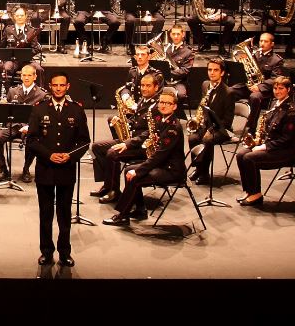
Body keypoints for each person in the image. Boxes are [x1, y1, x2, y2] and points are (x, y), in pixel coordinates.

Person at [27, 71, 89, 266]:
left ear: (67, 87)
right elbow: (32, 139)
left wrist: (70, 155)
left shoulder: (76, 110)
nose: (59, 88)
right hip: (45, 169)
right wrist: (49, 155)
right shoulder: (39, 109)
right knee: (45, 214)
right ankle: (46, 251)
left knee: (64, 214)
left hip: (66, 169)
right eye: (55, 85)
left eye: (62, 85)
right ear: (50, 87)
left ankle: (64, 252)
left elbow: (84, 141)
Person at [103, 87, 186, 224]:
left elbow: (160, 155)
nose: (163, 105)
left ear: (175, 106)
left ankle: (122, 215)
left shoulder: (173, 128)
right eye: (161, 102)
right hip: (162, 165)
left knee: (135, 176)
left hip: (172, 170)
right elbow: (149, 134)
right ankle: (140, 209)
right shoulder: (161, 119)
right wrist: (128, 144)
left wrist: (139, 170)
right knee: (129, 171)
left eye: (168, 103)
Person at [91, 72, 158, 203]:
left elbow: (149, 133)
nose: (144, 88)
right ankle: (107, 185)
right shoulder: (142, 100)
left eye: (148, 86)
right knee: (97, 147)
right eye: (142, 85)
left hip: (142, 146)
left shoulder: (156, 107)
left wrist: (127, 144)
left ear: (156, 87)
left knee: (112, 153)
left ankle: (114, 191)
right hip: (130, 139)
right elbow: (135, 120)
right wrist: (123, 122)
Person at [236, 76, 295, 206]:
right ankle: (249, 190)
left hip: (288, 151)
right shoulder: (274, 104)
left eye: (281, 89)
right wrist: (258, 141)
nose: (277, 91)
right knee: (240, 155)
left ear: (288, 89)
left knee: (249, 158)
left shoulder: (291, 112)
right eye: (275, 88)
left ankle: (256, 194)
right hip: (274, 145)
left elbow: (287, 140)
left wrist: (264, 147)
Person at [0, 63, 47, 183]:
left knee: (32, 140)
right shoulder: (12, 91)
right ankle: (3, 169)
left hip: (30, 128)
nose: (26, 78)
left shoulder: (42, 95)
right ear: (21, 77)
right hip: (14, 126)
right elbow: (6, 113)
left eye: (29, 75)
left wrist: (29, 127)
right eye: (24, 75)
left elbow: (43, 117)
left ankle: (26, 169)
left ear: (35, 77)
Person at [188, 58, 235, 184]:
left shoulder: (228, 92)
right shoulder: (205, 85)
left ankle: (204, 173)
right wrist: (197, 119)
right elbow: (203, 106)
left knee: (207, 139)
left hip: (221, 128)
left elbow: (227, 121)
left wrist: (210, 129)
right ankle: (199, 168)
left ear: (222, 73)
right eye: (210, 70)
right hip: (206, 124)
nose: (212, 73)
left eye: (216, 70)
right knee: (192, 137)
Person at [235, 32, 284, 113]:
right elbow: (245, 70)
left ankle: (251, 125)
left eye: (265, 41)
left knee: (255, 97)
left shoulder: (277, 60)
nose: (262, 43)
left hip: (264, 89)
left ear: (272, 44)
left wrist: (259, 87)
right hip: (249, 85)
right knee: (229, 91)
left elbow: (275, 79)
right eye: (261, 41)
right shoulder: (253, 54)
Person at [162, 24, 194, 100]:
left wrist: (167, 72)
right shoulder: (165, 49)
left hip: (179, 82)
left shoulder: (188, 52)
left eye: (178, 34)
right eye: (173, 34)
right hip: (164, 81)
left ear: (183, 34)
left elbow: (185, 71)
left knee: (180, 94)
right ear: (170, 35)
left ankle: (178, 112)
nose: (176, 36)